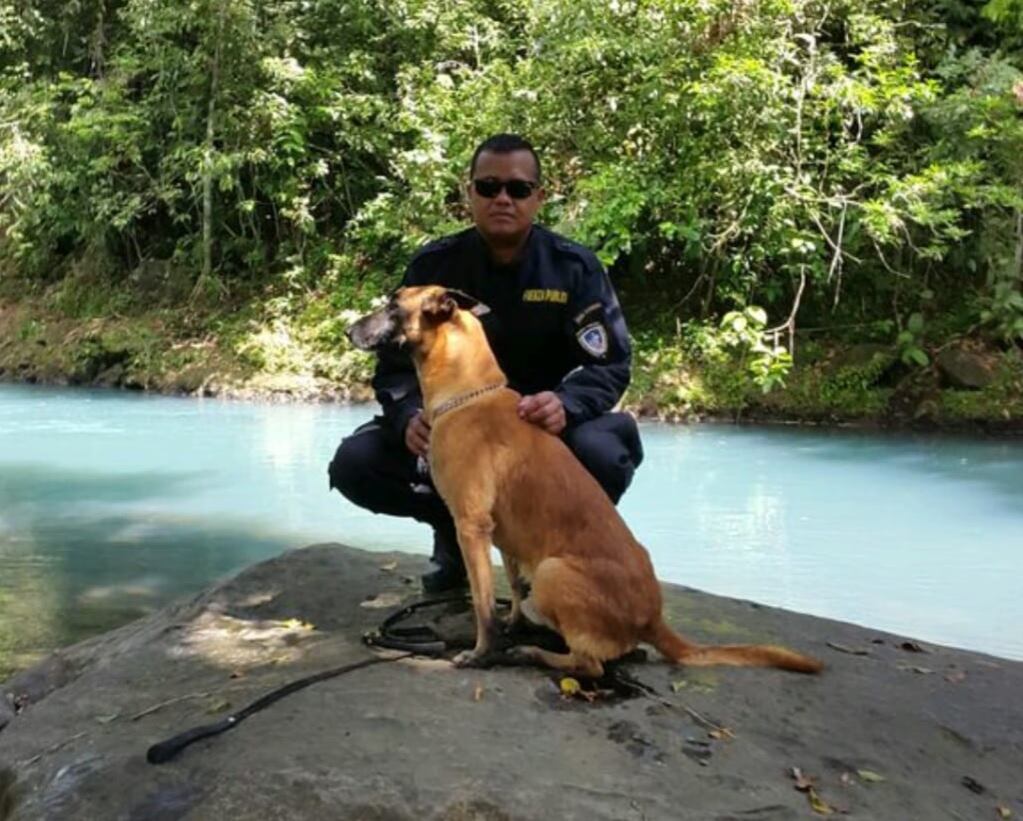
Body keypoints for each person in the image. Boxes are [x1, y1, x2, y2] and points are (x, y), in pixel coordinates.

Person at [328, 133, 643, 593]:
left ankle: (552, 556)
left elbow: (610, 365)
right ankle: (455, 538)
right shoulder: (434, 268)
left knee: (605, 452)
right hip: (456, 432)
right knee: (356, 464)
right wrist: (407, 416)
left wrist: (566, 403)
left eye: (518, 189)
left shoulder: (574, 268)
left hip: (540, 434)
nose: (502, 199)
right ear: (469, 193)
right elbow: (393, 365)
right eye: (488, 186)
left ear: (539, 197)